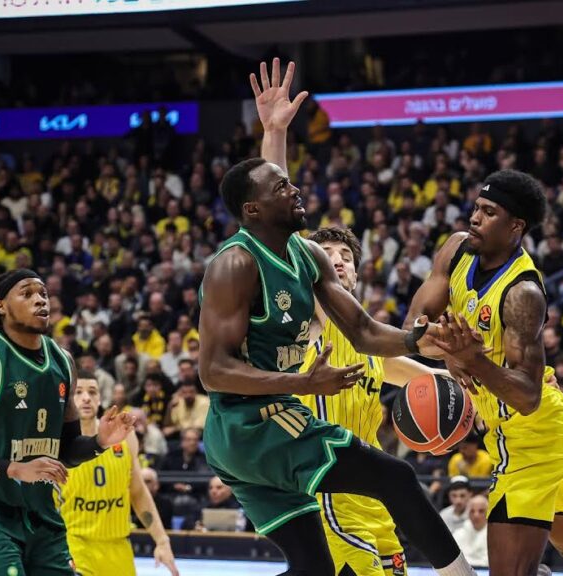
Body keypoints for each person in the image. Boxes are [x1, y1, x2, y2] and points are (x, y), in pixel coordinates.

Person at [198, 59, 474, 576]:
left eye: (291, 185)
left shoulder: (307, 257)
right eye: (282, 190)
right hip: (248, 426)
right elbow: (212, 372)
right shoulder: (235, 265)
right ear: (255, 210)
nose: (296, 190)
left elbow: (366, 333)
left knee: (313, 571)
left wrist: (418, 341)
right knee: (397, 478)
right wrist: (302, 382)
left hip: (269, 427)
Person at [408, 166, 563, 574]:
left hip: (534, 434)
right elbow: (413, 324)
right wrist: (447, 350)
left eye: (489, 212)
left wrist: (471, 359)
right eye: (476, 207)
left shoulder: (523, 293)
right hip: (523, 430)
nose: (475, 217)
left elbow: (527, 395)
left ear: (515, 226)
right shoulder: (456, 250)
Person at [0, 269, 136, 575]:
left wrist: (100, 442)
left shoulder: (63, 361)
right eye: (27, 294)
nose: (40, 300)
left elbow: (64, 450)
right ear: (1, 306)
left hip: (41, 515)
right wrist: (12, 468)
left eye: (44, 294)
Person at [296, 226, 454, 576]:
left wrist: (475, 380)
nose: (337, 260)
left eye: (346, 257)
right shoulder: (307, 322)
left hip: (373, 497)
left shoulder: (367, 341)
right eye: (326, 254)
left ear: (357, 274)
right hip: (327, 490)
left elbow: (426, 376)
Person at [60, 373, 179, 576]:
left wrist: (162, 540)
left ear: (100, 398)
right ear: (69, 400)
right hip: (75, 545)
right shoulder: (59, 439)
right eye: (78, 392)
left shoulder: (125, 436)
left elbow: (138, 492)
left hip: (118, 547)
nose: (86, 398)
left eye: (92, 392)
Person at [453, 495, 489, 568]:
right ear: (468, 513)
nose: (476, 515)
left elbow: (487, 562)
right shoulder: (457, 534)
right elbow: (455, 562)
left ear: (488, 513)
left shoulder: (495, 536)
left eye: (481, 511)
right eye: (472, 511)